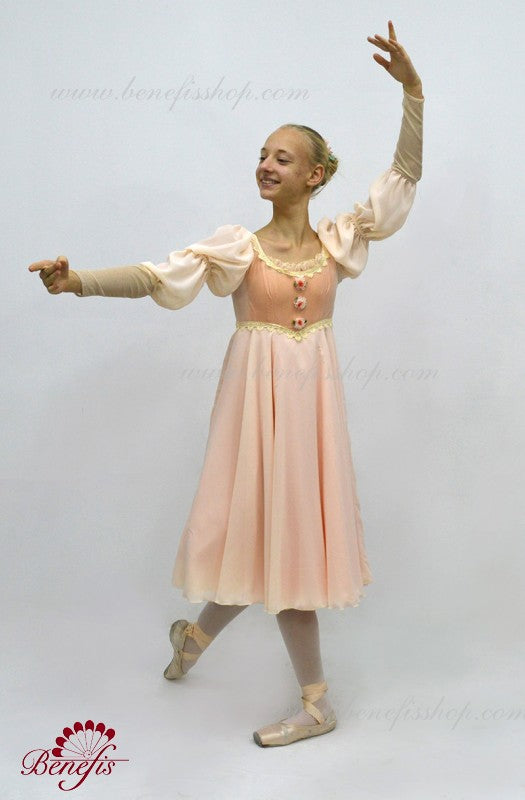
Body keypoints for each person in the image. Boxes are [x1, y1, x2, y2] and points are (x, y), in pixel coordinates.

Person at [29, 21, 424, 747]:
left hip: (309, 416)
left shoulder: (339, 238)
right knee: (265, 541)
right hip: (255, 413)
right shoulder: (238, 248)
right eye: (262, 156)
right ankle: (307, 698)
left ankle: (216, 652)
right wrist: (76, 281)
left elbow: (401, 179)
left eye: (283, 157)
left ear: (315, 175)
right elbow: (157, 276)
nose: (266, 165)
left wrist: (413, 94)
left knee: (281, 544)